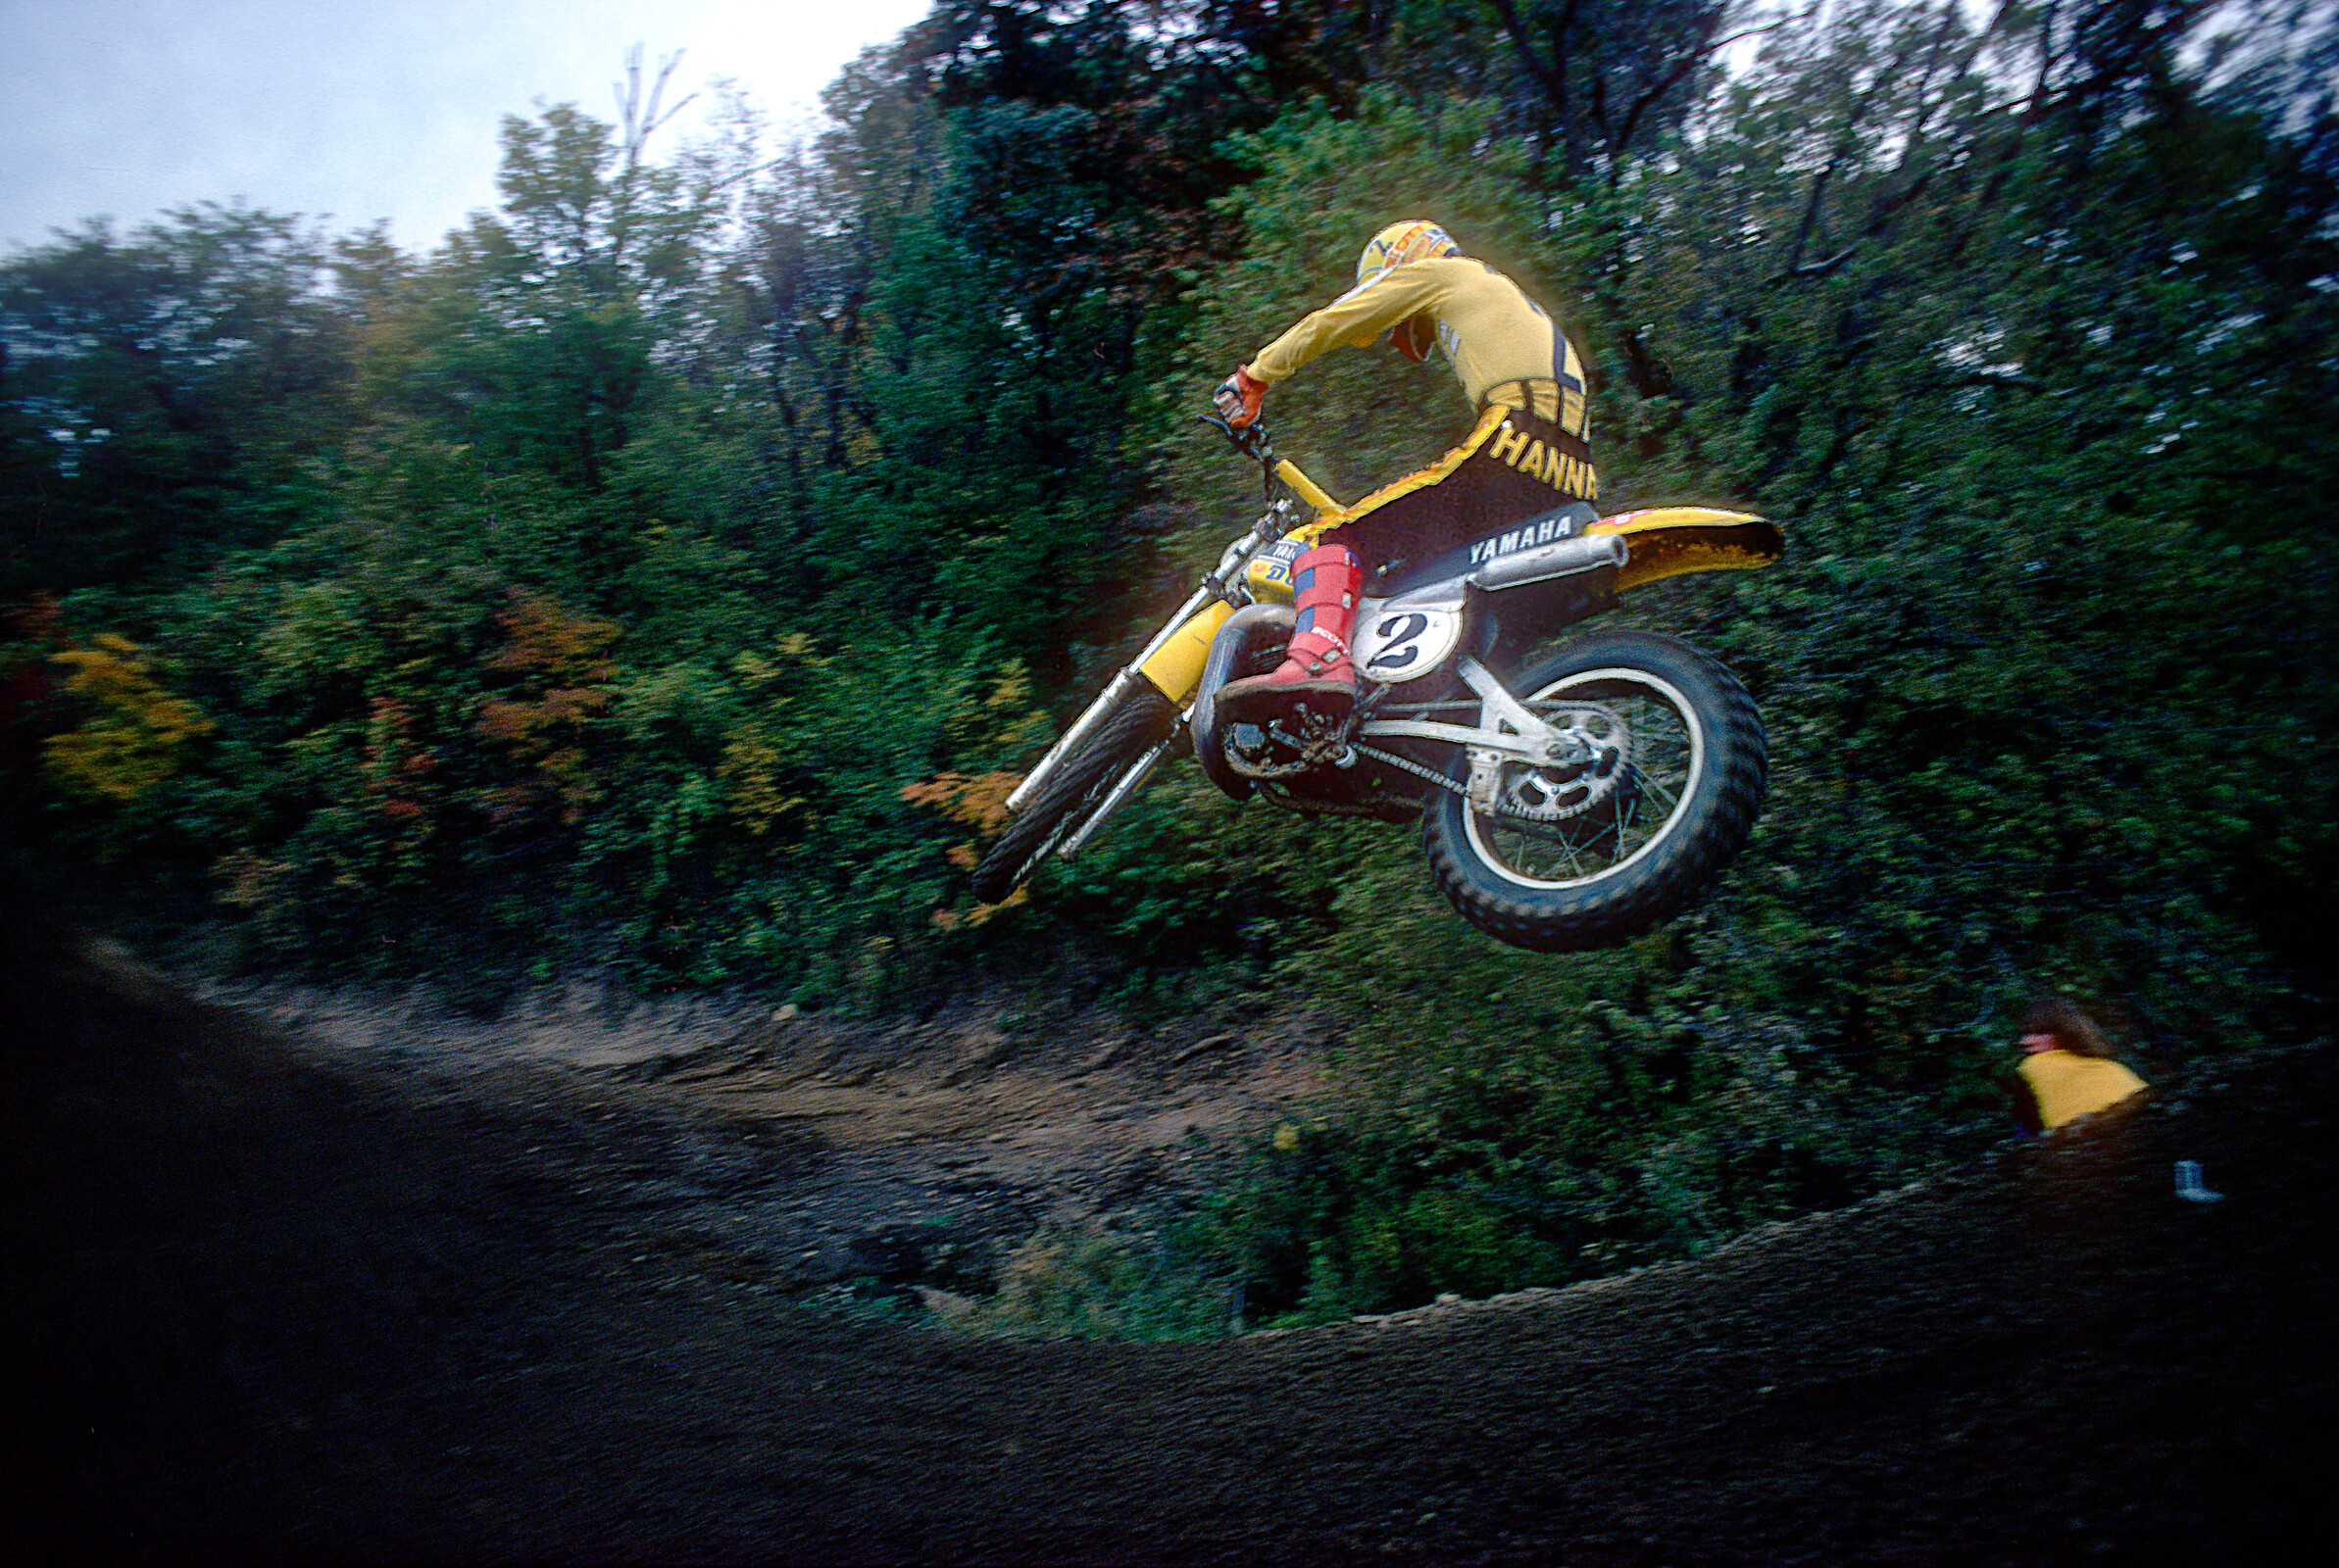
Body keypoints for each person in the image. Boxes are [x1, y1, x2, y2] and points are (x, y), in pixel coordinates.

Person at [1211, 220, 1596, 724]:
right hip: (1573, 473)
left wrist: (1254, 376)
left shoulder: (1442, 273)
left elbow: (1333, 321)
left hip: (1512, 441)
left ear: (1400, 263)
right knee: (1417, 570)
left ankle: (1317, 659)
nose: (1397, 338)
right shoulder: (1503, 293)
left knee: (1335, 538)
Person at [2008, 996, 2148, 1134]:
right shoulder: (2114, 1066)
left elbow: (2027, 1135)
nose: (2025, 1042)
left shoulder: (2032, 1066)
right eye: (2025, 1034)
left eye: (2040, 1033)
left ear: (2065, 1033)